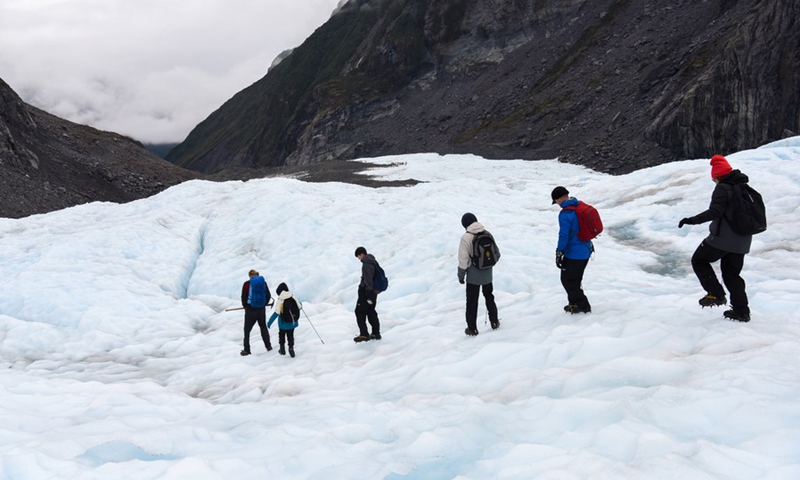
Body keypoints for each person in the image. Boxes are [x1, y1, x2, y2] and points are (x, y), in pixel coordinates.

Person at [679, 154, 753, 322]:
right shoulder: (743, 187)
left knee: (699, 260)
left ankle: (716, 294)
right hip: (743, 240)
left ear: (718, 175)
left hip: (723, 238)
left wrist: (692, 220)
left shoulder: (723, 188)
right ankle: (742, 312)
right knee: (732, 275)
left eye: (714, 179)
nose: (714, 182)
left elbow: (716, 211)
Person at [551, 186, 593, 314]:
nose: (557, 204)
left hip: (575, 253)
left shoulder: (566, 214)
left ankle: (584, 306)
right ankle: (574, 304)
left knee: (567, 280)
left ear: (560, 198)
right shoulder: (578, 206)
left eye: (556, 201)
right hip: (586, 249)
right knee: (575, 279)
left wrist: (559, 252)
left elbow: (564, 235)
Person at [457, 213, 500, 336]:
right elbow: (497, 253)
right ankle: (494, 321)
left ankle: (472, 329)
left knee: (472, 302)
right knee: (489, 296)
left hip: (473, 276)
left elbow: (463, 259)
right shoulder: (487, 233)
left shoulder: (466, 237)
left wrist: (461, 275)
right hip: (487, 274)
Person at [240, 269, 272, 355]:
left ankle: (247, 350)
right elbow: (268, 295)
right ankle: (268, 346)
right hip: (261, 309)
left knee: (247, 330)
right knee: (263, 327)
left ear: (250, 276)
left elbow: (243, 297)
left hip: (250, 309)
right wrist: (263, 304)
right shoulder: (263, 283)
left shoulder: (247, 284)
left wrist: (245, 306)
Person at [353, 246, 381, 342]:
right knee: (371, 311)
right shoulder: (372, 261)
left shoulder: (367, 264)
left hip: (366, 292)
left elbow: (368, 280)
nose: (359, 259)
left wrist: (368, 294)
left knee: (359, 312)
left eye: (358, 256)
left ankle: (364, 334)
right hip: (373, 292)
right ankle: (375, 333)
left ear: (361, 254)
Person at [267, 282, 300, 357]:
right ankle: (291, 349)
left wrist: (269, 323)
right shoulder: (293, 296)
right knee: (290, 335)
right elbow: (300, 306)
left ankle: (282, 349)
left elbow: (276, 313)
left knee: (281, 335)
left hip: (283, 324)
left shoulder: (280, 300)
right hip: (292, 323)